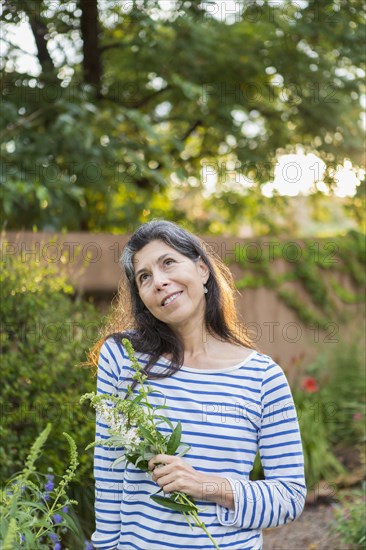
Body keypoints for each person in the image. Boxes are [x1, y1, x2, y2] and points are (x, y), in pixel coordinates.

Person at [90, 220, 306, 550]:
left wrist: (208, 485)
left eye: (168, 263)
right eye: (144, 277)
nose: (159, 281)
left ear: (202, 269)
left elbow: (289, 497)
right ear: (141, 297)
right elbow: (108, 472)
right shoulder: (122, 358)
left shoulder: (263, 378)